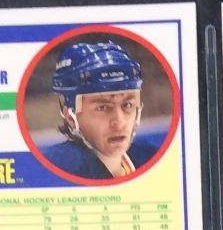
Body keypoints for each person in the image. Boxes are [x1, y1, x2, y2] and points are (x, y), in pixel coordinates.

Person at [40, 40, 159, 180]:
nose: (119, 122)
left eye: (127, 105)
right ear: (71, 117)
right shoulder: (58, 165)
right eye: (102, 108)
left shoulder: (150, 157)